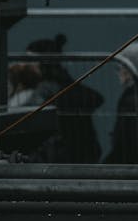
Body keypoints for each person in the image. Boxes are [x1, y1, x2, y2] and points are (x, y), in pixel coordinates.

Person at [26, 34, 104, 164]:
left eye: (29, 61)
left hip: (63, 154)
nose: (25, 66)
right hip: (81, 150)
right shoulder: (66, 85)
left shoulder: (48, 90)